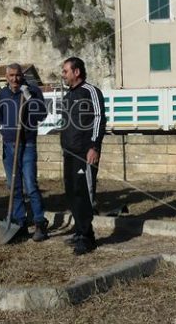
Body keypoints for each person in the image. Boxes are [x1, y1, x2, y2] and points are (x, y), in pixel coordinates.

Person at [0, 63, 49, 241]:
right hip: (9, 145)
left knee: (30, 184)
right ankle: (20, 221)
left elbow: (42, 114)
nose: (14, 79)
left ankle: (40, 222)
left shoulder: (32, 91)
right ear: (6, 76)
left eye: (17, 75)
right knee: (14, 185)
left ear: (22, 75)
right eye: (11, 75)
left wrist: (28, 98)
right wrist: (3, 129)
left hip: (27, 145)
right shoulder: (3, 93)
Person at [60, 57, 105, 255]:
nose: (63, 75)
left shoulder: (91, 92)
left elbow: (99, 119)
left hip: (85, 152)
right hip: (69, 152)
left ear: (76, 72)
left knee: (84, 193)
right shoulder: (68, 96)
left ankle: (87, 238)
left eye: (65, 71)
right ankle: (80, 231)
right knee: (72, 193)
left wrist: (94, 146)